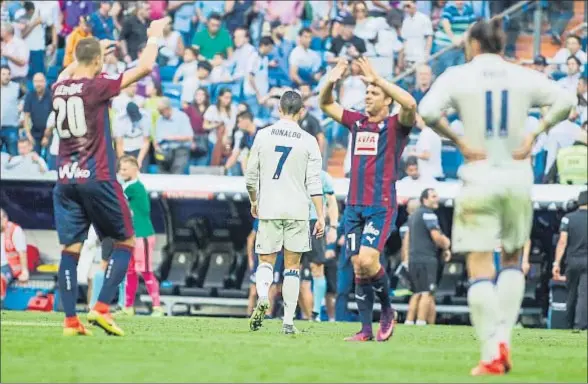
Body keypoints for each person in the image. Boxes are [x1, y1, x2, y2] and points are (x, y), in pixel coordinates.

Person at [418, 19, 576, 375]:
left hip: (478, 177)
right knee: (511, 259)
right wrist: (535, 132)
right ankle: (505, 337)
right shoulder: (520, 75)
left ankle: (491, 350)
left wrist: (458, 141)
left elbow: (426, 112)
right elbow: (566, 100)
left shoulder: (458, 76)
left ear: (473, 43)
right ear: (501, 44)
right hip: (518, 179)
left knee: (478, 264)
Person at [51, 17, 170, 337]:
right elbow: (144, 67)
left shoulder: (59, 86)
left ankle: (70, 322)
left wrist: (86, 55)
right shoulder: (96, 86)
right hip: (97, 176)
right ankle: (102, 309)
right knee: (126, 241)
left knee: (70, 250)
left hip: (64, 179)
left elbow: (68, 71)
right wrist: (155, 36)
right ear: (98, 61)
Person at [319, 57, 417, 342]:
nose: (368, 96)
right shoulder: (357, 123)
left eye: (374, 93)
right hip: (353, 206)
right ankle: (364, 330)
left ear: (387, 100)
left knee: (368, 259)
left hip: (380, 205)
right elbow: (326, 104)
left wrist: (379, 79)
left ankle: (387, 311)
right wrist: (331, 80)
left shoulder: (396, 125)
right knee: (358, 264)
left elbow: (410, 104)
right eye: (367, 92)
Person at [245, 90, 325, 335]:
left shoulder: (263, 135)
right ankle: (288, 322)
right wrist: (320, 215)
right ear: (301, 111)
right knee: (293, 267)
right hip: (298, 210)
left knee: (266, 261)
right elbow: (314, 182)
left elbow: (250, 177)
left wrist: (254, 201)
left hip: (269, 206)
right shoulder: (309, 140)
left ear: (279, 109)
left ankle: (262, 296)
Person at [118, 156, 163, 317]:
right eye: (120, 169)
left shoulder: (134, 188)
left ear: (134, 169)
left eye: (124, 169)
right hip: (132, 235)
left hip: (142, 234)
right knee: (130, 271)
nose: (121, 172)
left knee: (145, 271)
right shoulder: (128, 186)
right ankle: (128, 307)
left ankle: (157, 307)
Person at [405, 188, 451, 326]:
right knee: (427, 292)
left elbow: (407, 239)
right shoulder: (429, 215)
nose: (437, 199)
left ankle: (409, 321)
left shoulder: (413, 216)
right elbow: (436, 237)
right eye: (433, 196)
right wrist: (446, 244)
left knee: (416, 292)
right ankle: (420, 322)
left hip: (414, 258)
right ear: (425, 199)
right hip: (426, 259)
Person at [303, 170, 339, 322]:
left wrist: (334, 227)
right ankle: (299, 314)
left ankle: (316, 313)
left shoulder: (322, 176)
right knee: (292, 270)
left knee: (317, 268)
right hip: (294, 222)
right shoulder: (292, 170)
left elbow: (332, 202)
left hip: (314, 222)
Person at [553, 190, 588, 331]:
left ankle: (567, 323)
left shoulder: (567, 218)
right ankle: (580, 325)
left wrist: (556, 263)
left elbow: (562, 242)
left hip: (572, 261)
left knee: (571, 293)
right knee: (584, 294)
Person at [0, 208, 29, 301]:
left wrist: (25, 271)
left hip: (8, 266)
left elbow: (22, 252)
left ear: (5, 218)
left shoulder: (15, 230)